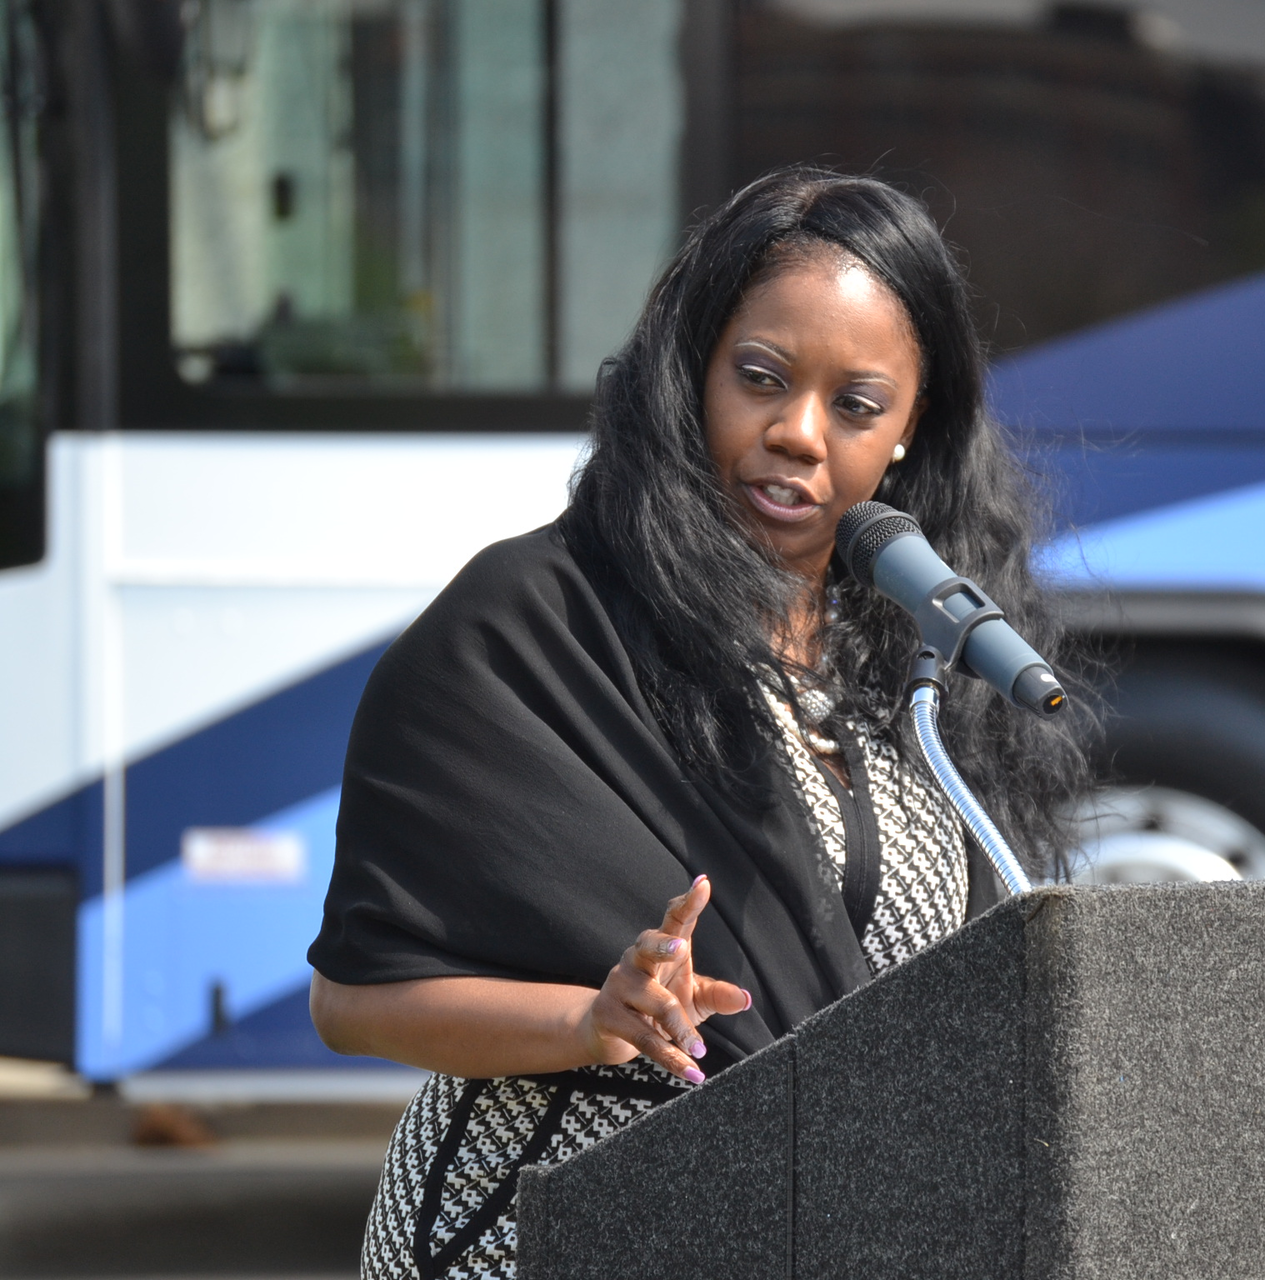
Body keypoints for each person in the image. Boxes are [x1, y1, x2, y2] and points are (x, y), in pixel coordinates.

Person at [306, 168, 1091, 1280]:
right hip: (541, 1237)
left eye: (856, 406)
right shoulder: (535, 628)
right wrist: (595, 1016)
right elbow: (353, 998)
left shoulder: (912, 661)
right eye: (760, 377)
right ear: (692, 374)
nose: (799, 434)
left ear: (912, 433)